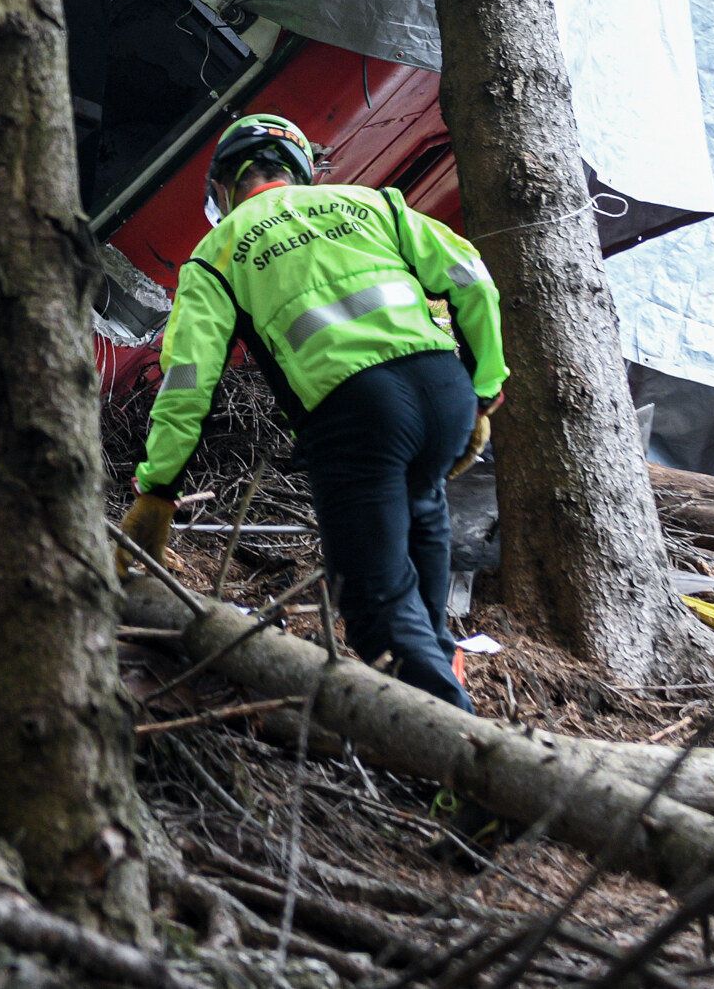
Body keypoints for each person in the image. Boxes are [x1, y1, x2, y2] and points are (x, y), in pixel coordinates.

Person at [121, 110, 505, 711]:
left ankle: (454, 751)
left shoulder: (216, 251)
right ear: (300, 172)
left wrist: (158, 488)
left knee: (376, 601)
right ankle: (437, 651)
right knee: (421, 504)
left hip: (357, 415)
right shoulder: (375, 205)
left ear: (222, 186)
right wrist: (484, 387)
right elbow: (472, 280)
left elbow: (188, 381)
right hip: (443, 390)